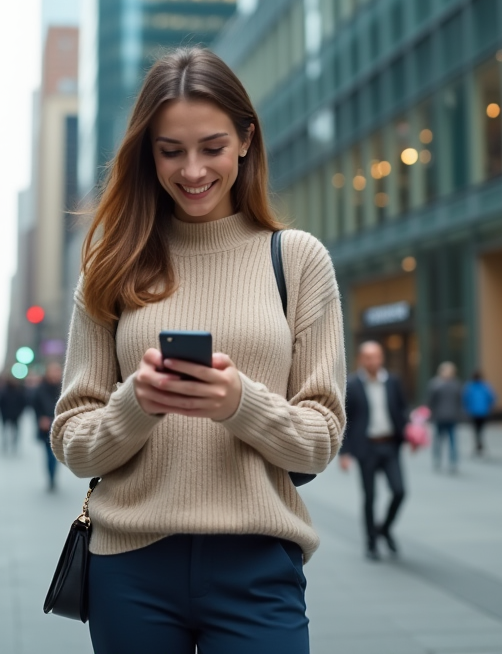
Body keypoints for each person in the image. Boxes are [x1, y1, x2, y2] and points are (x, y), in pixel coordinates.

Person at [51, 48, 345, 653]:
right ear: (147, 152)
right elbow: (73, 441)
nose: (191, 171)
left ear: (245, 139)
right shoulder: (110, 269)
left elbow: (322, 436)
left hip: (258, 565)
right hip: (130, 568)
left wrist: (239, 401)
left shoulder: (298, 260)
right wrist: (137, 402)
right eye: (170, 151)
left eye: (211, 147)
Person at [340, 341, 408, 561]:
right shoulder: (351, 384)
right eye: (368, 357)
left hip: (390, 445)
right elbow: (345, 420)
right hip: (366, 447)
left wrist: (411, 431)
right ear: (361, 359)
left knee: (399, 491)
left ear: (382, 358)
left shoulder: (393, 381)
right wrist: (344, 453)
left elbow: (402, 408)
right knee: (370, 497)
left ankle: (385, 529)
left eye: (377, 356)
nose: (373, 361)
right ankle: (371, 542)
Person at [32, 361, 63, 491]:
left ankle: (53, 475)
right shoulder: (41, 388)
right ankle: (51, 477)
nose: (55, 374)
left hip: (60, 424)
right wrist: (41, 418)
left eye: (57, 371)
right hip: (46, 426)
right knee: (49, 453)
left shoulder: (63, 386)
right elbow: (35, 404)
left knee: (57, 453)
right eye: (52, 371)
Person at [427, 362, 462, 473]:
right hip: (445, 416)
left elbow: (431, 401)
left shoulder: (436, 384)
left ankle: (442, 460)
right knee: (446, 440)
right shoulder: (455, 384)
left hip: (444, 416)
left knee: (443, 440)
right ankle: (449, 461)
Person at [462, 369, 496, 456]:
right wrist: (489, 406)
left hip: (473, 411)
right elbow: (492, 397)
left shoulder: (469, 386)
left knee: (475, 429)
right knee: (481, 428)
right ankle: (479, 441)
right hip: (483, 411)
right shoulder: (485, 386)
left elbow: (465, 398)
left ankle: (478, 442)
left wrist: (466, 408)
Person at [0, 373, 27, 454]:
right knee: (6, 430)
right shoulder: (4, 391)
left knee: (15, 430)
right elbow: (0, 403)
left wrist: (19, 412)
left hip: (14, 415)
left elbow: (23, 403)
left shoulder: (18, 392)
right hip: (7, 414)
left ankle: (13, 443)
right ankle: (6, 443)